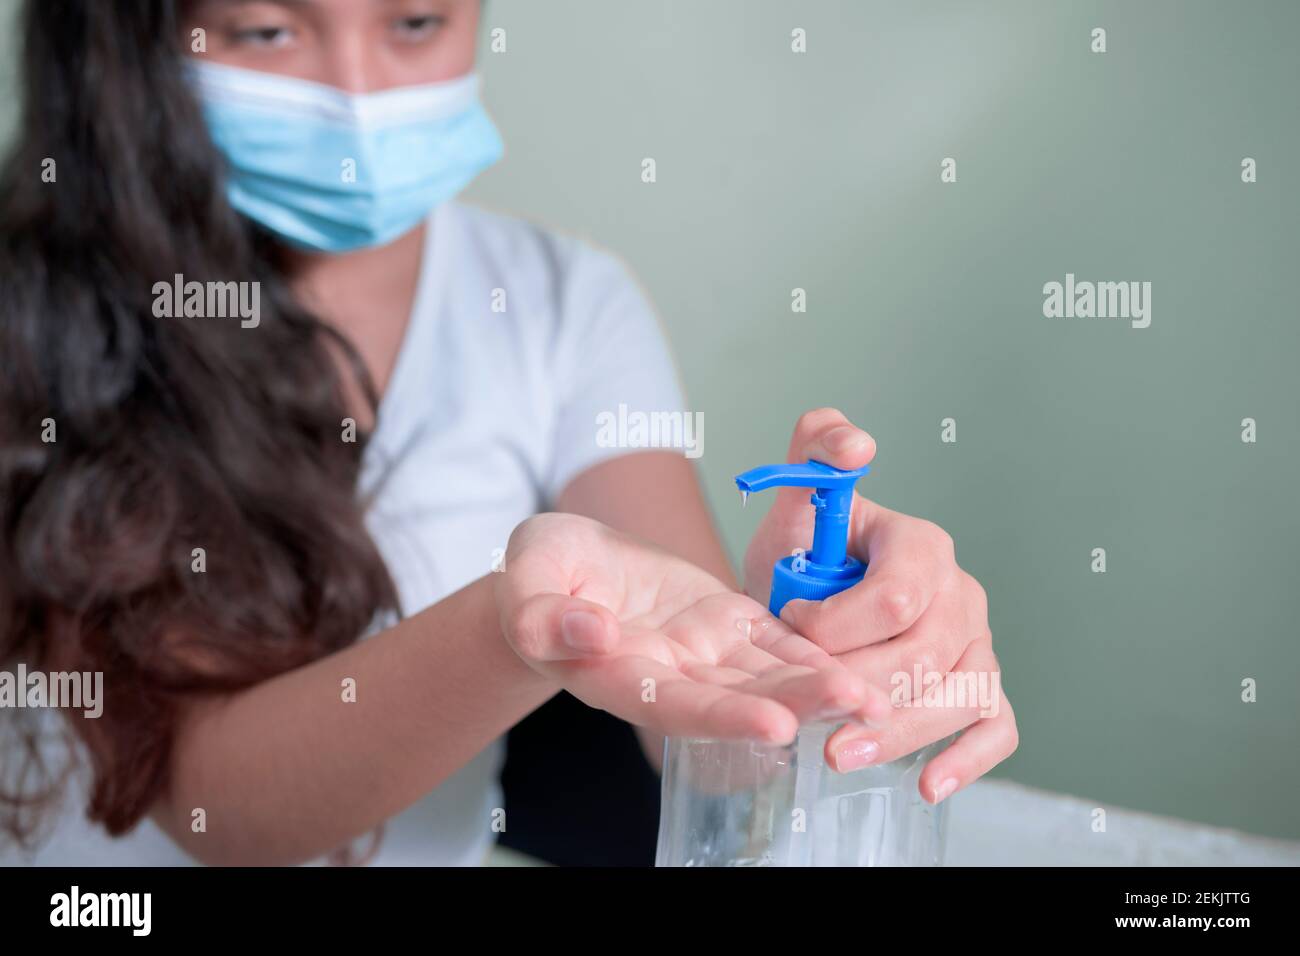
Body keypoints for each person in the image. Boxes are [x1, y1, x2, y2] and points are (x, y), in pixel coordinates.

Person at [0, 0, 1016, 866]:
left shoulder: (564, 306)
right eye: (267, 30)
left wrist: (816, 636)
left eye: (414, 21)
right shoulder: (32, 323)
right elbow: (212, 804)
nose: (359, 92)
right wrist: (510, 628)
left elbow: (710, 716)